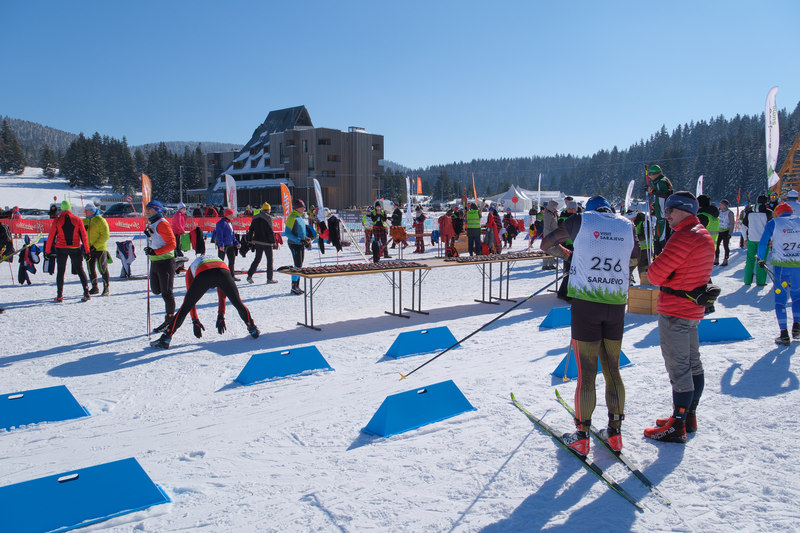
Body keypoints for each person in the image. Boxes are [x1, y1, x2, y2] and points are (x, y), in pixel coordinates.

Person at [540, 195, 638, 455]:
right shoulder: (627, 225)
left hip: (586, 305)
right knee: (613, 370)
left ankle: (582, 435)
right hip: (616, 304)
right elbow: (634, 259)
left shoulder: (579, 220)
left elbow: (546, 244)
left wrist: (570, 255)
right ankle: (615, 433)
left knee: (586, 374)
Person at [643, 191, 714, 443]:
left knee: (679, 367)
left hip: (675, 310)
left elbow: (654, 275)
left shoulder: (683, 237)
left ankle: (677, 424)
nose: (667, 216)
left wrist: (663, 268)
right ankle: (688, 416)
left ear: (684, 210)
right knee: (693, 363)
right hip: (691, 310)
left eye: (670, 210)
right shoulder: (702, 233)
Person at [150, 254, 259, 348]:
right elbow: (222, 295)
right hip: (222, 271)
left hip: (204, 274)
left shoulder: (190, 271)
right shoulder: (216, 260)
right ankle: (252, 327)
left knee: (184, 308)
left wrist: (195, 320)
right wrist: (220, 316)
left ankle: (166, 337)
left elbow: (190, 303)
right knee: (238, 303)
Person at [757, 203, 800, 345]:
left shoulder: (773, 223)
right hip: (798, 267)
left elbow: (763, 243)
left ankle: (784, 334)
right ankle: (797, 326)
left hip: (781, 268)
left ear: (777, 213)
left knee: (780, 300)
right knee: (797, 297)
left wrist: (761, 259)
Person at [46, 200, 92, 303]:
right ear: (70, 208)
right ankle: (87, 292)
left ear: (61, 209)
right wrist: (87, 251)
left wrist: (47, 252)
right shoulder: (78, 220)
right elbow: (84, 237)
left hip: (61, 248)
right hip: (75, 248)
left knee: (61, 272)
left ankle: (59, 296)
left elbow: (51, 237)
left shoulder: (57, 221)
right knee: (80, 270)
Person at [143, 200, 177, 332]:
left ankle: (169, 320)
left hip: (165, 262)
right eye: (146, 208)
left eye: (149, 209)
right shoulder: (153, 222)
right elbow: (158, 239)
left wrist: (155, 251)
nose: (146, 211)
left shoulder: (162, 223)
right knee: (156, 290)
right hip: (155, 262)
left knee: (167, 293)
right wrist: (150, 236)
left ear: (157, 210)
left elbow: (172, 244)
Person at [284, 198, 316, 295]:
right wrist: (299, 240)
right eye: (302, 207)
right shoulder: (292, 217)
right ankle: (293, 287)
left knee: (300, 265)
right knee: (297, 265)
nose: (304, 209)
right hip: (294, 244)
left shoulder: (300, 217)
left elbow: (301, 233)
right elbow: (287, 233)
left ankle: (297, 286)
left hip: (300, 243)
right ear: (297, 208)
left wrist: (306, 238)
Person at [742, 195, 772, 286]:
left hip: (751, 239)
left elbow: (744, 227)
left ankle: (747, 280)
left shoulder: (749, 211)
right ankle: (761, 281)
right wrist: (771, 239)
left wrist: (745, 238)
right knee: (761, 260)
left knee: (750, 260)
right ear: (766, 202)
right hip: (763, 240)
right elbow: (771, 228)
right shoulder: (768, 212)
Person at [82, 202, 111, 296]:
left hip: (100, 248)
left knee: (103, 268)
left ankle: (106, 288)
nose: (84, 212)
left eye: (86, 210)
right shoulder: (84, 221)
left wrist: (95, 246)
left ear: (91, 211)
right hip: (88, 249)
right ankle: (95, 288)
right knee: (90, 269)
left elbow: (105, 235)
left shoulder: (101, 220)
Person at [246, 202, 277, 284]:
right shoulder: (269, 218)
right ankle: (269, 278)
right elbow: (270, 231)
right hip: (267, 243)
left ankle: (249, 275)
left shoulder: (255, 217)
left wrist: (250, 240)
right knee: (269, 261)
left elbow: (251, 229)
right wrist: (273, 242)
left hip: (257, 242)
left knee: (257, 259)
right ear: (268, 210)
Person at [647, 165, 674, 256]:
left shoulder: (661, 182)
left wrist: (653, 191)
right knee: (657, 240)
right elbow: (660, 199)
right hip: (661, 216)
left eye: (651, 175)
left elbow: (665, 195)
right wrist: (655, 208)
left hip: (664, 216)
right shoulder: (659, 182)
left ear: (655, 174)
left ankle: (665, 258)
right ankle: (657, 257)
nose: (650, 177)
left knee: (662, 240)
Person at [215, 209, 241, 279]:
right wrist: (221, 245)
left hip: (230, 245)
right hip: (223, 245)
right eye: (232, 215)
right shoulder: (221, 223)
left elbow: (232, 235)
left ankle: (232, 276)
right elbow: (219, 235)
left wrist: (236, 243)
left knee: (232, 261)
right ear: (228, 215)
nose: (233, 216)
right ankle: (218, 278)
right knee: (220, 262)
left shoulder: (230, 223)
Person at [715, 199, 735, 266]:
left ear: (724, 205)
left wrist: (730, 233)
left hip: (726, 231)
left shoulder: (730, 213)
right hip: (719, 230)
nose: (720, 205)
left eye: (721, 204)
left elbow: (732, 223)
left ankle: (725, 259)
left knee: (725, 245)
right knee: (716, 245)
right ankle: (716, 258)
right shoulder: (719, 211)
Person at [541, 200, 559, 269]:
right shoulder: (548, 214)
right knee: (547, 249)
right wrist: (548, 236)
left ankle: (551, 264)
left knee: (553, 249)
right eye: (555, 206)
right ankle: (545, 264)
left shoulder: (553, 213)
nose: (556, 207)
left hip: (554, 234)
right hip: (549, 235)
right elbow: (547, 226)